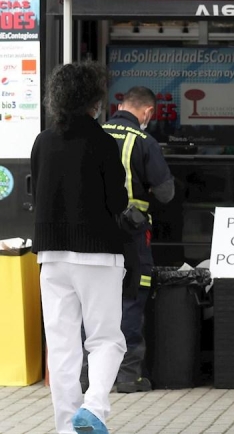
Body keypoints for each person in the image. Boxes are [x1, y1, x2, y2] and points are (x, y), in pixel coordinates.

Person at [31, 61, 128, 434]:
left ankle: (65, 428)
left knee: (62, 346)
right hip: (98, 253)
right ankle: (94, 406)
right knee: (106, 339)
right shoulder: (103, 142)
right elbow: (117, 201)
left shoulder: (43, 140)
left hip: (51, 256)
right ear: (94, 99)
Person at [100, 86, 174, 393]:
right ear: (146, 113)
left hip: (93, 235)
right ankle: (128, 377)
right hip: (131, 234)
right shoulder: (143, 141)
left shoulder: (95, 134)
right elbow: (166, 193)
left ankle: (86, 376)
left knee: (94, 302)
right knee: (131, 298)